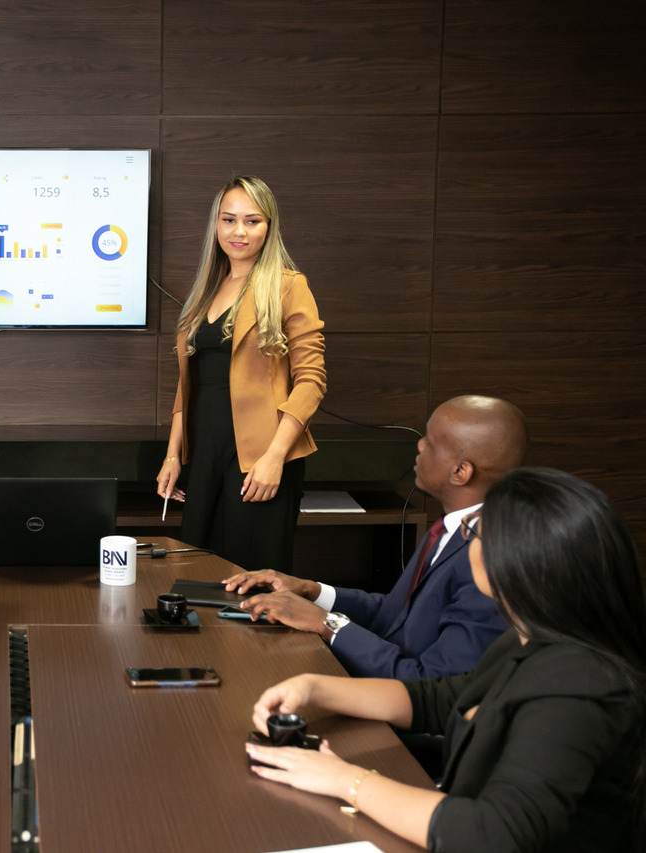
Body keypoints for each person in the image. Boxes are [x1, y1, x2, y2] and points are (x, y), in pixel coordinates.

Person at [245, 468, 646, 852]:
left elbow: (495, 835)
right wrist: (315, 688)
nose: (467, 539)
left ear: (518, 561)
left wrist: (345, 779)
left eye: (476, 532)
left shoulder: (577, 689)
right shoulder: (525, 640)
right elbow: (436, 699)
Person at [224, 395, 526, 679]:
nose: (419, 445)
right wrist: (311, 590)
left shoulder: (490, 561)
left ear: (460, 471)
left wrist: (325, 623)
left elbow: (432, 684)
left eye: (431, 442)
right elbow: (394, 615)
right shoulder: (448, 528)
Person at [156, 174, 325, 574]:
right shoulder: (206, 289)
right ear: (216, 225)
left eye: (252, 221)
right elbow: (189, 384)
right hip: (206, 455)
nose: (239, 232)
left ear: (269, 226)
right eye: (229, 220)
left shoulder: (288, 286)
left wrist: (275, 457)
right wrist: (173, 455)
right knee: (196, 573)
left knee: (250, 581)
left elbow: (311, 382)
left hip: (259, 457)